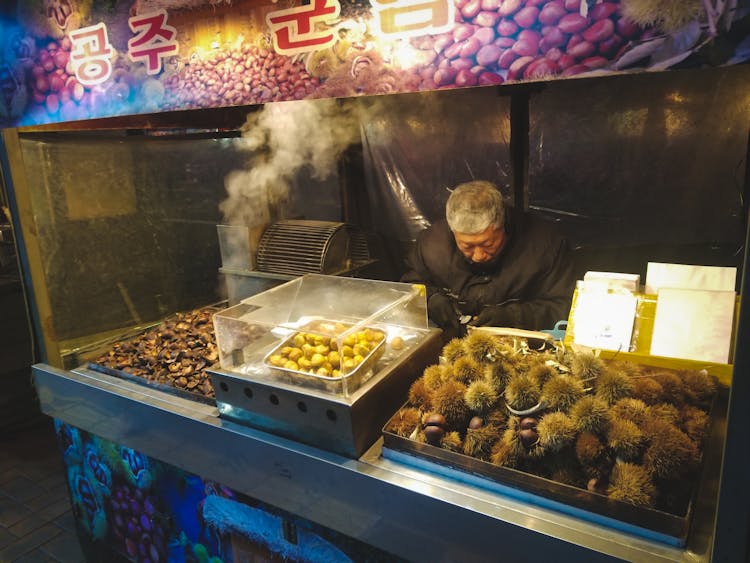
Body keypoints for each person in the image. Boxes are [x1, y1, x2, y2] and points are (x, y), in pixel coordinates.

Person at [401, 180, 575, 340]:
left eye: (488, 244)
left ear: (503, 225)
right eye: (467, 246)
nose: (478, 256)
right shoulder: (431, 245)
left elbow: (563, 305)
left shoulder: (546, 247)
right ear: (452, 231)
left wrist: (514, 317)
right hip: (450, 342)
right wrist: (430, 299)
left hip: (517, 348)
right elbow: (409, 285)